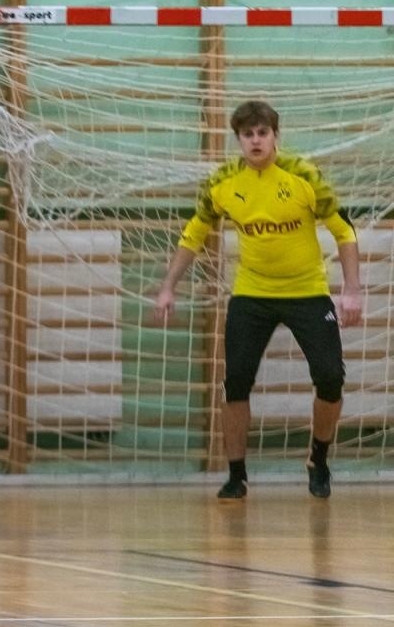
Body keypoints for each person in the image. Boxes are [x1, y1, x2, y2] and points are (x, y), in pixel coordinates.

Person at [153, 100, 361, 500]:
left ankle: (318, 457)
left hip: (307, 292)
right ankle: (236, 475)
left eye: (262, 133)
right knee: (236, 382)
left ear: (275, 136)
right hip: (252, 293)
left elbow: (344, 231)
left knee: (331, 376)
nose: (255, 141)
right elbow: (193, 235)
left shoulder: (304, 175)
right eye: (247, 135)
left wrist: (351, 291)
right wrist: (167, 287)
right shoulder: (223, 182)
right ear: (238, 140)